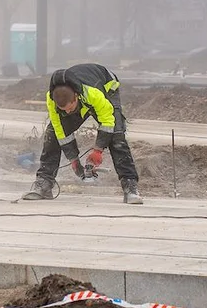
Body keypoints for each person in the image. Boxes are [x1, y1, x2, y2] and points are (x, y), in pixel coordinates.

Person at [23, 63, 143, 204]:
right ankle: (44, 183)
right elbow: (59, 129)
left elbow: (108, 121)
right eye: (64, 110)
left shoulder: (93, 94)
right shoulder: (51, 99)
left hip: (106, 87)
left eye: (70, 108)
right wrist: (73, 159)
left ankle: (130, 186)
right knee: (52, 134)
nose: (67, 113)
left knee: (116, 136)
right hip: (82, 98)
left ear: (76, 96)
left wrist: (98, 150)